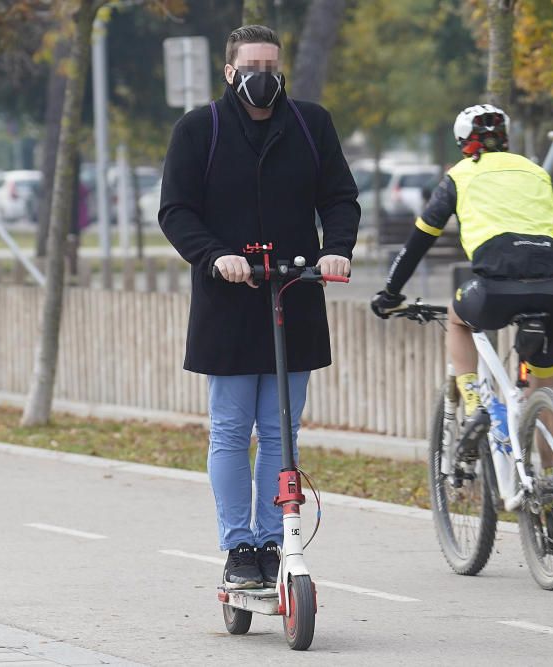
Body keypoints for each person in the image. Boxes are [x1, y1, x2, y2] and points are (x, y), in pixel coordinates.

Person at [158, 25, 359, 589]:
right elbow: (176, 211)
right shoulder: (201, 129)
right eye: (251, 65)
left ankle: (274, 540)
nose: (262, 76)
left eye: (271, 64)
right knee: (229, 429)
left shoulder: (310, 124)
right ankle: (237, 547)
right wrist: (215, 255)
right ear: (230, 71)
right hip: (228, 301)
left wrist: (336, 251)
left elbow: (339, 197)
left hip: (293, 292)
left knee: (281, 432)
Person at [370, 104, 553, 450]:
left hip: (495, 286)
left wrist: (390, 291)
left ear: (463, 142)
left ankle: (475, 402)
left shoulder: (460, 176)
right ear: (505, 139)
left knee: (458, 317)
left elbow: (418, 242)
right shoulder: (536, 172)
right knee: (545, 389)